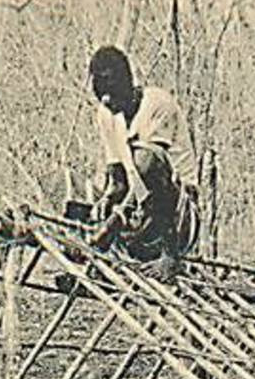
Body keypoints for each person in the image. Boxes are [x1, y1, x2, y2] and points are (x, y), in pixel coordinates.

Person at [84, 45, 199, 280]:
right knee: (87, 193)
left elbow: (148, 171)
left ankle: (171, 257)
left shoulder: (157, 104)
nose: (106, 99)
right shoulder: (106, 113)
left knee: (145, 157)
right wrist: (105, 206)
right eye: (101, 93)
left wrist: (115, 220)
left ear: (127, 83)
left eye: (112, 91)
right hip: (140, 221)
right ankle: (97, 260)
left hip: (178, 220)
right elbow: (118, 181)